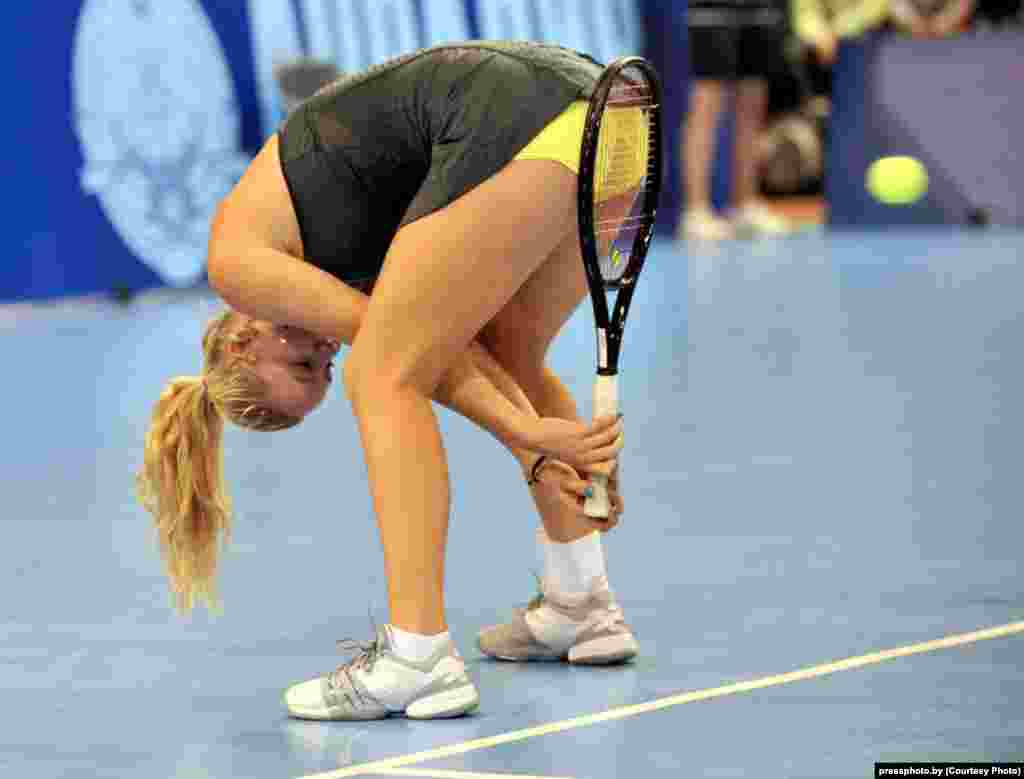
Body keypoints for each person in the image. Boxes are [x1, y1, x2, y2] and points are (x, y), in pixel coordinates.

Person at [136, 41, 642, 722]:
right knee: (511, 347)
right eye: (321, 367)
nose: (321, 352)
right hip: (604, 117)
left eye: (299, 363)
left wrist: (528, 437)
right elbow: (464, 357)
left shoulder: (236, 261)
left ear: (240, 337)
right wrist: (545, 446)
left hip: (522, 118)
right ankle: (582, 601)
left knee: (380, 373)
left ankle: (418, 655)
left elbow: (411, 364)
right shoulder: (335, 261)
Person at [680, 0, 794, 240]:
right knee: (706, 102)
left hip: (760, 7)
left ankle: (745, 205)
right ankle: (696, 210)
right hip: (711, 7)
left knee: (753, 99)